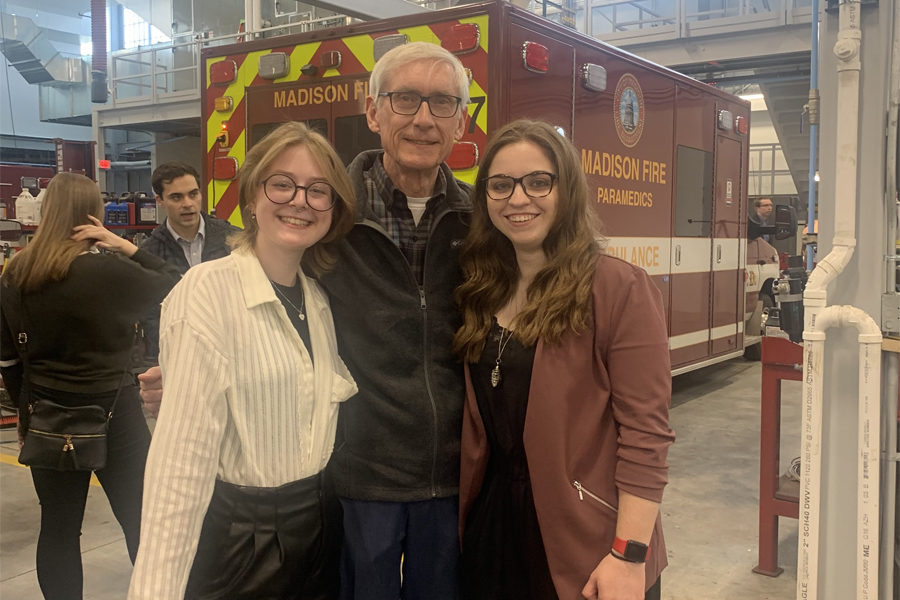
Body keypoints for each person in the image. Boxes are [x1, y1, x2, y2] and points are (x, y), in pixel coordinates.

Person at [137, 42, 472, 600]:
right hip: (355, 482)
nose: (422, 118)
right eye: (405, 99)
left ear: (461, 121)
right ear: (373, 112)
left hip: (453, 476)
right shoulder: (338, 223)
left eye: (441, 103)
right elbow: (181, 466)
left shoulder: (480, 223)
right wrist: (193, 378)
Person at [128, 122, 358, 600]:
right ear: (252, 197)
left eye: (319, 191)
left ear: (332, 211)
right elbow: (179, 465)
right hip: (244, 544)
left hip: (321, 530)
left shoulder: (316, 300)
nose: (300, 201)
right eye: (282, 184)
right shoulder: (207, 292)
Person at [453, 120, 675, 600]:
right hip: (495, 529)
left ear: (566, 190)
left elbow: (646, 435)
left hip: (588, 538)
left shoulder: (617, 288)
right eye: (501, 185)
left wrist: (628, 556)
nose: (518, 199)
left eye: (538, 182)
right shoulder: (481, 290)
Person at [0, 172, 180, 600]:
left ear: (46, 212)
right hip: (118, 417)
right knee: (140, 520)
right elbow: (175, 281)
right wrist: (124, 245)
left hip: (47, 415)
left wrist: (26, 411)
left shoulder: (14, 274)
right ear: (94, 215)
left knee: (59, 530)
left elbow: (8, 358)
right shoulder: (110, 272)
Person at [139, 162, 241, 362]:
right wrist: (179, 352)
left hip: (233, 354)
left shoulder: (233, 240)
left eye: (193, 194)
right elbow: (150, 316)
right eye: (176, 197)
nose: (187, 204)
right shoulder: (149, 254)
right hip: (179, 357)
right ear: (160, 200)